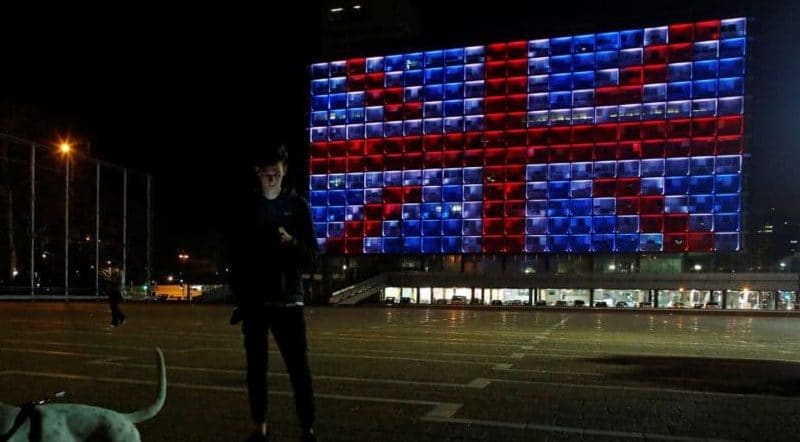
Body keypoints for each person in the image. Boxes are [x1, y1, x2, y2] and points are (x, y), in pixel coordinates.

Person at [228, 144, 319, 442]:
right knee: (256, 371)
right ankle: (260, 429)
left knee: (299, 371)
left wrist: (291, 242)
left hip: (288, 300)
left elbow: (312, 256)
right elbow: (236, 257)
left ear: (285, 171)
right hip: (255, 302)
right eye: (266, 175)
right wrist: (240, 296)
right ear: (257, 174)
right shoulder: (247, 207)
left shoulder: (298, 205)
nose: (272, 180)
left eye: (276, 174)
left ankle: (308, 429)